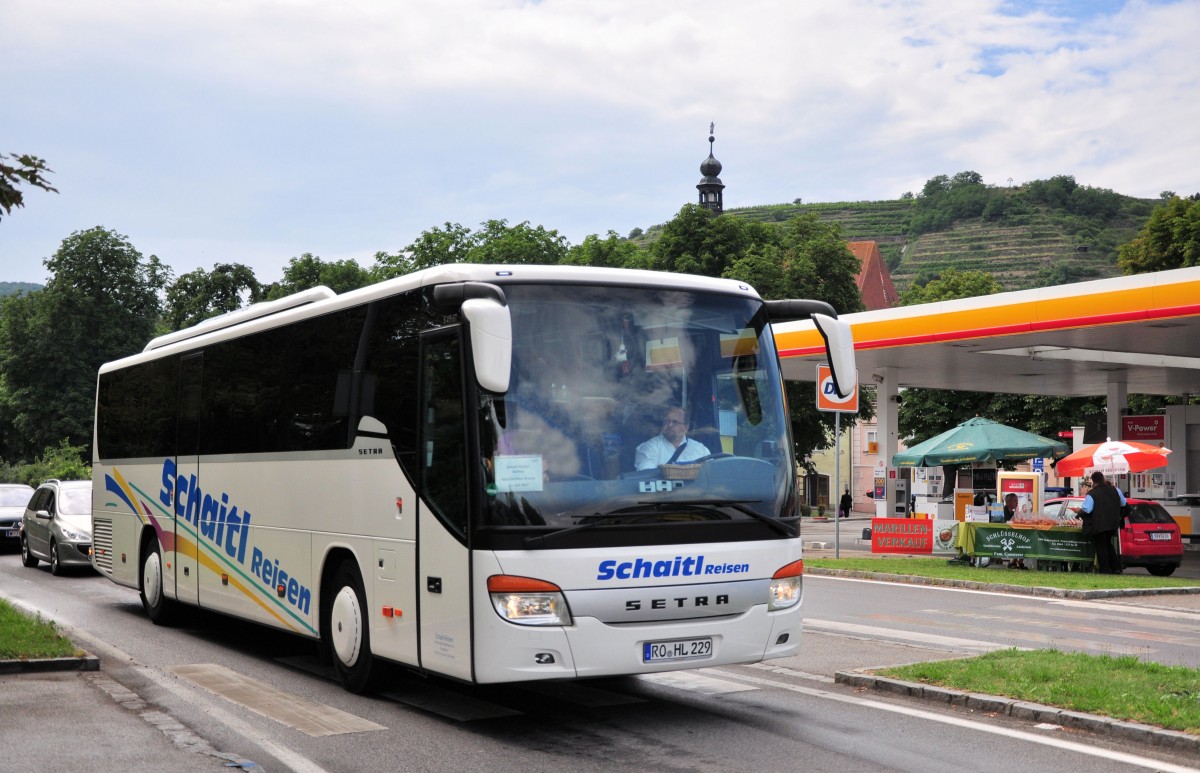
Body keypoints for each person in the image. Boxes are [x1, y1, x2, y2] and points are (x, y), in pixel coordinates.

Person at [1074, 471, 1126, 574]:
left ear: (1093, 481)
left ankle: (1105, 569)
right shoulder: (1115, 490)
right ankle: (1115, 567)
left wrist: (1078, 510)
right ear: (1103, 478)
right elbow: (1123, 503)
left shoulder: (1092, 493)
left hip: (1099, 524)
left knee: (1101, 546)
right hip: (1113, 523)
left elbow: (1087, 509)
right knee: (1108, 544)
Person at [634, 406, 711, 470]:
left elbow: (712, 473)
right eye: (667, 421)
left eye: (675, 422)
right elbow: (647, 477)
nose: (670, 425)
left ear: (686, 427)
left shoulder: (700, 449)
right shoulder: (649, 448)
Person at [1002, 493, 1026, 569]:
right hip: (1004, 535)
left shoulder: (1013, 513)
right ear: (1008, 502)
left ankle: (1016, 561)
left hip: (1012, 534)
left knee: (1024, 539)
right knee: (1020, 541)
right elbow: (1006, 522)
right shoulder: (1002, 511)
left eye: (1017, 500)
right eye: (1015, 500)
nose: (1017, 503)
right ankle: (1015, 561)